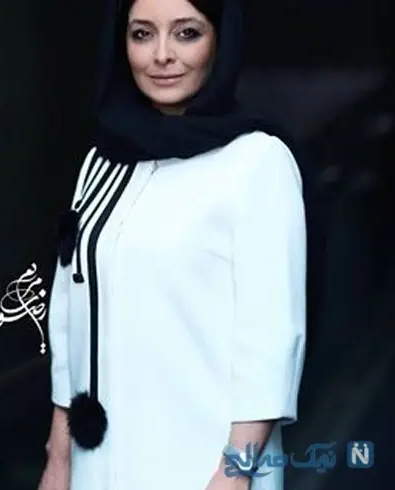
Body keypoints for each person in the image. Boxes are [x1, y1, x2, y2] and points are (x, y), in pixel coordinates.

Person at [38, 0, 306, 489]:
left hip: (204, 462)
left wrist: (234, 475)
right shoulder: (103, 160)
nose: (162, 55)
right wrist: (58, 455)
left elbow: (271, 341)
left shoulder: (256, 161)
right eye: (142, 34)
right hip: (97, 465)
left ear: (220, 42)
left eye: (186, 33)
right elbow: (69, 311)